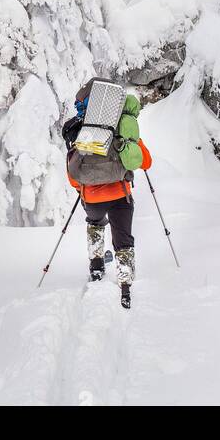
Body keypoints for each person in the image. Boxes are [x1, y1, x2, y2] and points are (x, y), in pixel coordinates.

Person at [62, 83, 152, 309]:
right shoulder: (120, 130)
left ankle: (97, 266)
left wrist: (85, 188)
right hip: (121, 196)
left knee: (95, 222)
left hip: (91, 199)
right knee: (123, 240)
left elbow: (73, 177)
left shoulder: (82, 131)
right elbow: (145, 162)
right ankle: (125, 286)